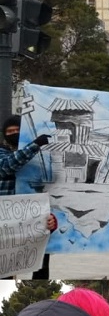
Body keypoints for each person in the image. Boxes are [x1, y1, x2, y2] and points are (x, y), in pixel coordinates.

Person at [0, 115, 56, 279]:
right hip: (6, 223)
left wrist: (52, 219)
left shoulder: (42, 157)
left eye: (18, 130)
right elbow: (6, 167)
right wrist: (34, 145)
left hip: (34, 222)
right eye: (10, 131)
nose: (14, 133)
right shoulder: (2, 153)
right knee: (5, 269)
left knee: (41, 266)